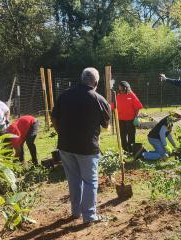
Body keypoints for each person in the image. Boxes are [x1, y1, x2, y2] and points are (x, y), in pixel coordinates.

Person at [51, 67, 111, 224]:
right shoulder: (99, 99)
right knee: (90, 181)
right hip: (87, 149)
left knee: (73, 179)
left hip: (65, 146)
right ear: (96, 82)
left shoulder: (64, 95)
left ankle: (76, 212)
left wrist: (61, 134)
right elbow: (106, 126)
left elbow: (54, 118)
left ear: (81, 79)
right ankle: (89, 216)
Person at [112, 81, 143, 153]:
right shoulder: (118, 96)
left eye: (121, 88)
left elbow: (138, 106)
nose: (120, 89)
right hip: (120, 120)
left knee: (131, 136)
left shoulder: (131, 95)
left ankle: (131, 151)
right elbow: (113, 106)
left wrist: (136, 117)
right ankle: (124, 151)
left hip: (130, 120)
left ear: (125, 87)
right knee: (122, 136)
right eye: (119, 88)